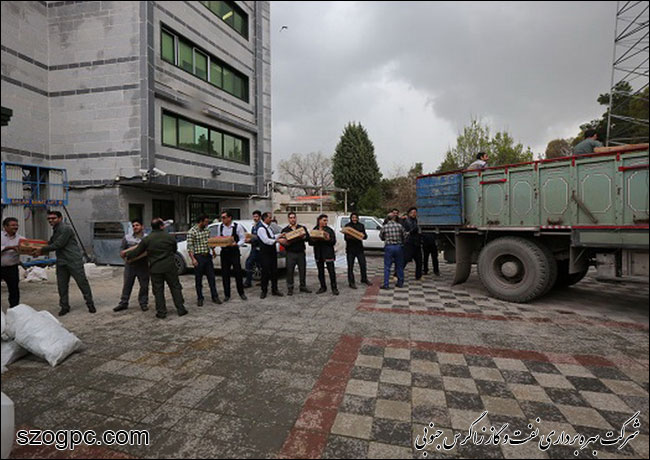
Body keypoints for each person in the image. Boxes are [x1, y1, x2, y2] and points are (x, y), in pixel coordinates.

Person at [35, 210, 95, 316]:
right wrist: (35, 248)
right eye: (49, 219)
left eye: (53, 218)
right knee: (62, 285)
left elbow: (58, 244)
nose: (50, 220)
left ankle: (90, 304)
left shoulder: (65, 229)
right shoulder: (56, 229)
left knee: (82, 283)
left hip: (73, 260)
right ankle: (64, 306)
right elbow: (50, 243)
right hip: (62, 261)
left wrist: (41, 250)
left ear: (60, 218)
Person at [126, 218, 187, 318]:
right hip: (170, 267)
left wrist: (127, 256)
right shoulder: (169, 237)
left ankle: (161, 312)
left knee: (158, 290)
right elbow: (174, 250)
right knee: (175, 287)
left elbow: (137, 251)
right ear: (162, 226)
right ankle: (181, 309)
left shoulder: (148, 239)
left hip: (155, 268)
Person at [114, 219, 150, 312]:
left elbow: (149, 251)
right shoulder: (127, 238)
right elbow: (122, 250)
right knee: (127, 284)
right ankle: (123, 303)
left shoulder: (147, 238)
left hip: (143, 265)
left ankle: (143, 303)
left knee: (144, 285)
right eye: (133, 226)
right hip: (130, 265)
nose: (135, 227)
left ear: (142, 226)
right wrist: (125, 259)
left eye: (137, 225)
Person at [187, 214, 221, 307]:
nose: (207, 223)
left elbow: (209, 241)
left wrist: (213, 250)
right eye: (205, 221)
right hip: (198, 257)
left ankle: (215, 296)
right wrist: (193, 259)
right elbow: (190, 247)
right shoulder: (192, 232)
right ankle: (200, 298)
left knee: (211, 278)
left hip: (207, 256)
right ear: (201, 221)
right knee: (198, 279)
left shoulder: (207, 230)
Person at [218, 210, 247, 302]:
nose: (222, 219)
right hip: (224, 252)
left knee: (238, 272)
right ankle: (227, 294)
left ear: (229, 218)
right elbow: (219, 237)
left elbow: (243, 238)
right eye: (221, 217)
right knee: (225, 274)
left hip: (234, 251)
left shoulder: (237, 227)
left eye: (224, 217)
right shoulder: (221, 226)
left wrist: (237, 244)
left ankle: (241, 292)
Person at [279, 212, 312, 296]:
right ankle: (290, 288)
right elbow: (282, 242)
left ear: (296, 218)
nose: (292, 219)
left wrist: (303, 236)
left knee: (302, 270)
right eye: (290, 218)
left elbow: (308, 238)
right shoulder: (285, 230)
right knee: (290, 271)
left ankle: (303, 286)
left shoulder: (301, 228)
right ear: (288, 219)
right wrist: (285, 242)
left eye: (294, 217)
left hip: (300, 252)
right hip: (290, 253)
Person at [310, 214, 338, 295]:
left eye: (326, 220)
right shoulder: (314, 230)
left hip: (328, 253)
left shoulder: (329, 230)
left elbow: (333, 242)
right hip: (318, 254)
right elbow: (310, 242)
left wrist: (328, 239)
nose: (326, 222)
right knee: (320, 271)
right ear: (319, 220)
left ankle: (334, 288)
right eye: (324, 220)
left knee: (331, 271)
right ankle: (323, 287)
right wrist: (314, 239)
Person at [257, 212, 283, 299]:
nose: (271, 219)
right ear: (265, 219)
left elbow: (272, 236)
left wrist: (280, 235)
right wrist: (277, 240)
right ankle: (264, 290)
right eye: (269, 218)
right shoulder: (261, 229)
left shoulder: (269, 228)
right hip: (265, 253)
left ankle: (274, 289)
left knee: (274, 271)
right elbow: (266, 240)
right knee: (265, 272)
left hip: (272, 252)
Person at [379, 213, 406, 290]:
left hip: (389, 247)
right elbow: (405, 235)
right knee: (399, 266)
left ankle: (386, 284)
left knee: (387, 267)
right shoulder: (399, 226)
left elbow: (381, 237)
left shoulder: (385, 227)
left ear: (387, 218)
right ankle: (400, 282)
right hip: (398, 247)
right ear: (394, 218)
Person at [344, 213, 371, 289]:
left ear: (358, 218)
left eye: (356, 217)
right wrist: (352, 236)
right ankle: (351, 282)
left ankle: (364, 279)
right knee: (350, 266)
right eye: (353, 217)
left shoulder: (361, 225)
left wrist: (362, 235)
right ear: (350, 218)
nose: (354, 219)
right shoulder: (347, 226)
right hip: (350, 249)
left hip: (359, 249)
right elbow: (345, 238)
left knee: (363, 265)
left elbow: (365, 236)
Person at [1, 217, 24, 308]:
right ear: (5, 227)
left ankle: (14, 308)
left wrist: (35, 251)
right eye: (13, 225)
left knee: (14, 289)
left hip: (12, 268)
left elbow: (27, 249)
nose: (15, 227)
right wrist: (10, 248)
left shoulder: (21, 239)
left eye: (16, 225)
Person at [402, 207, 423, 280]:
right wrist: (418, 227)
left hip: (417, 243)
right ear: (409, 213)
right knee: (405, 259)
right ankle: (397, 274)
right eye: (412, 212)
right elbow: (411, 230)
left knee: (419, 261)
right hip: (409, 243)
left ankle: (418, 276)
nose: (414, 214)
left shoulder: (417, 220)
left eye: (415, 212)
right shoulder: (407, 221)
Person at [244, 210, 262, 288]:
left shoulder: (260, 226)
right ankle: (249, 281)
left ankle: (248, 282)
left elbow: (259, 237)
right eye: (254, 216)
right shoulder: (254, 226)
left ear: (260, 217)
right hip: (254, 248)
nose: (255, 218)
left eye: (256, 216)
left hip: (259, 249)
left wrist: (250, 240)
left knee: (249, 263)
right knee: (257, 265)